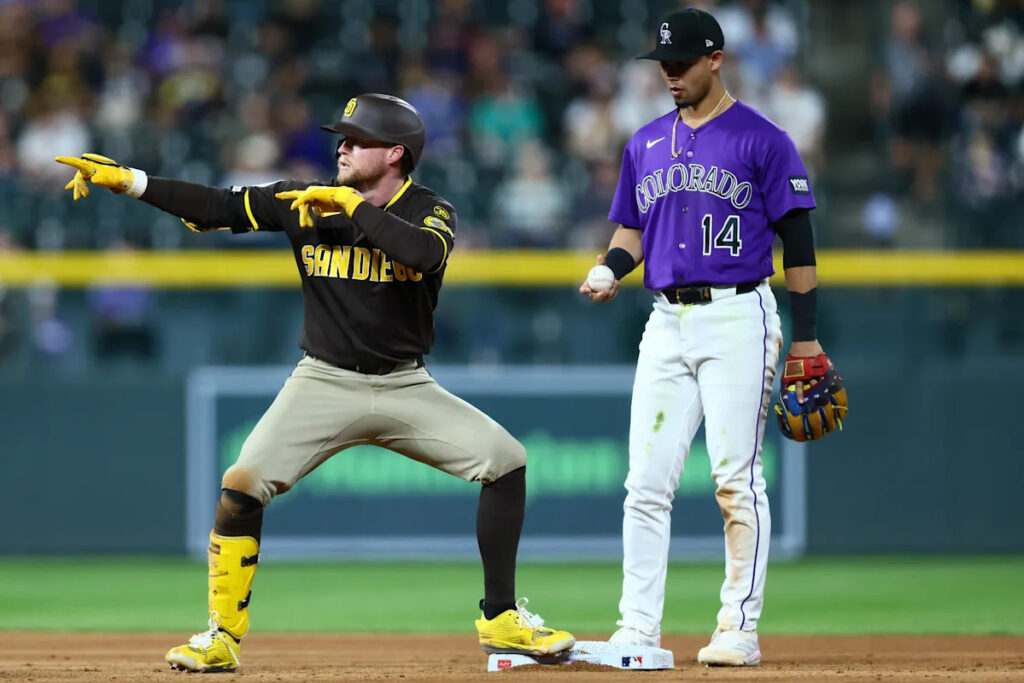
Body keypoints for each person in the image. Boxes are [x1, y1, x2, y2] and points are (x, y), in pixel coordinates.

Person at [56, 93, 574, 673]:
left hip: (405, 387)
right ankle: (221, 636)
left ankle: (500, 617)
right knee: (242, 483)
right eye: (342, 136)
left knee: (505, 460)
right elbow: (216, 207)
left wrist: (352, 208)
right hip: (322, 381)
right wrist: (129, 181)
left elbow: (424, 255)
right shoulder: (304, 200)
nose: (343, 146)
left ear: (396, 154)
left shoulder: (429, 208)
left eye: (358, 139)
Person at [579, 9, 833, 667]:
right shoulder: (645, 143)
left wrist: (805, 339)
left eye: (681, 63)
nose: (669, 74)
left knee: (734, 480)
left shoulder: (763, 139)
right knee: (645, 483)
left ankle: (737, 626)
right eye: (663, 64)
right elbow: (630, 229)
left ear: (715, 59)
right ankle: (636, 627)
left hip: (737, 317)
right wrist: (609, 267)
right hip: (666, 320)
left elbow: (799, 242)